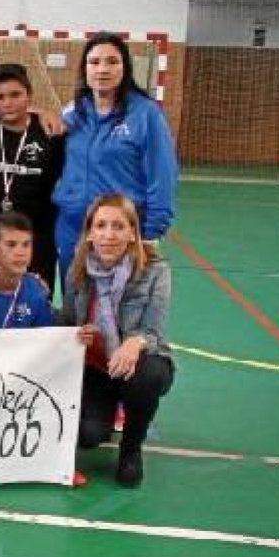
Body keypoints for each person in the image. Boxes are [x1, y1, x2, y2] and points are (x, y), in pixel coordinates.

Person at [63, 193, 174, 488]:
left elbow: (154, 331)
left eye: (118, 226)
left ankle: (131, 449)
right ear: (89, 233)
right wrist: (78, 333)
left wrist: (134, 342)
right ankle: (107, 410)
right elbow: (68, 322)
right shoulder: (76, 270)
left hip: (139, 363)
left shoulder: (155, 270)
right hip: (98, 369)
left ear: (133, 232)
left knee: (146, 377)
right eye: (100, 226)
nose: (108, 235)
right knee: (88, 436)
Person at [54, 32, 178, 282]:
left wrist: (150, 233)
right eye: (94, 62)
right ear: (84, 69)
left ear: (125, 68)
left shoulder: (146, 114)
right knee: (75, 311)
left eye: (112, 61)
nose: (102, 69)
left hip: (118, 233)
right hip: (72, 230)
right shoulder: (72, 113)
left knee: (116, 314)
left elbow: (162, 175)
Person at [0, 63, 64, 290]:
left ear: (29, 94)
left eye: (15, 94)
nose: (7, 103)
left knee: (34, 302)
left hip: (35, 237)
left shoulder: (50, 132)